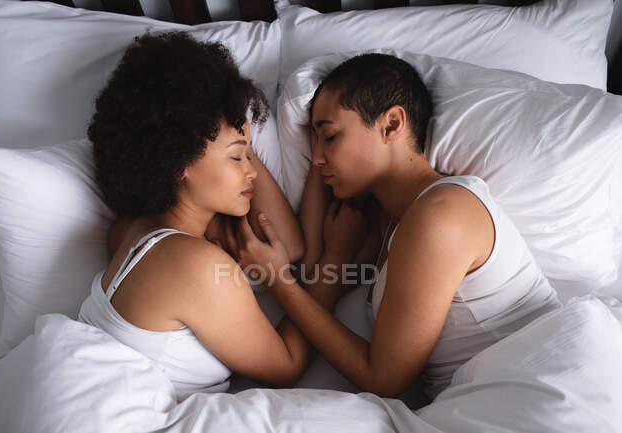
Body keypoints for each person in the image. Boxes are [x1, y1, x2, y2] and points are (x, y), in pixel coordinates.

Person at [235, 53, 562, 400]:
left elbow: (382, 379)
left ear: (391, 125)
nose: (316, 158)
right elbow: (312, 265)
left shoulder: (441, 215)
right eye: (313, 140)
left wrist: (277, 281)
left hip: (522, 390)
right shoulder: (392, 220)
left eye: (329, 137)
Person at [77, 31, 329, 401]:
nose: (253, 172)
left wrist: (232, 133)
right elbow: (286, 366)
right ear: (179, 161)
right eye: (237, 156)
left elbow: (288, 245)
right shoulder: (193, 264)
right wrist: (336, 265)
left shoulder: (132, 229)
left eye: (249, 154)